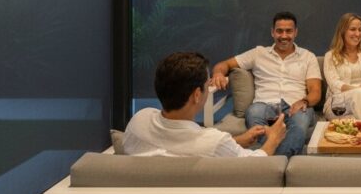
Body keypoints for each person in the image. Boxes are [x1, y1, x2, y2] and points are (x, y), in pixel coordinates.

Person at [123, 51, 287, 157]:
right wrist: (273, 138)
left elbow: (179, 146)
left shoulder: (138, 122)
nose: (209, 87)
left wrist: (236, 141)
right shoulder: (214, 142)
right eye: (207, 84)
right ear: (196, 95)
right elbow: (256, 165)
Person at [211, 11, 322, 157]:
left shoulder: (308, 56)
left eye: (288, 31)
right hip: (263, 104)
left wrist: (304, 101)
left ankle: (267, 161)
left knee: (300, 126)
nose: (283, 36)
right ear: (272, 32)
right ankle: (279, 162)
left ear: (295, 32)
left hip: (297, 104)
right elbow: (224, 64)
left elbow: (315, 91)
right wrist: (218, 73)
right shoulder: (258, 53)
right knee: (254, 114)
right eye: (279, 31)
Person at [322, 13, 361, 121]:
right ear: (342, 31)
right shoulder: (330, 56)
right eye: (352, 29)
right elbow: (335, 86)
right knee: (360, 93)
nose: (357, 33)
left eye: (360, 30)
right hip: (339, 104)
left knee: (357, 119)